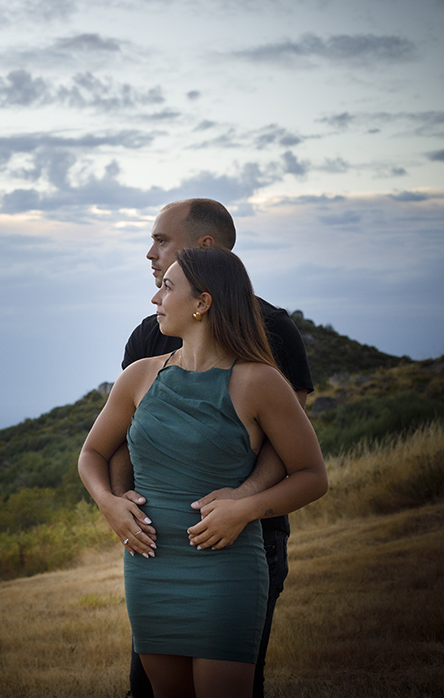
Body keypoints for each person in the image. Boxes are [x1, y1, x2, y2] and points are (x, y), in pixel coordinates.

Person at [78, 247, 327, 698]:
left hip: (225, 571)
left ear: (202, 303)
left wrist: (245, 509)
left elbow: (312, 476)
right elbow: (92, 453)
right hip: (150, 568)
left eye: (167, 287)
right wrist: (108, 503)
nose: (156, 298)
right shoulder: (139, 376)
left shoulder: (259, 381)